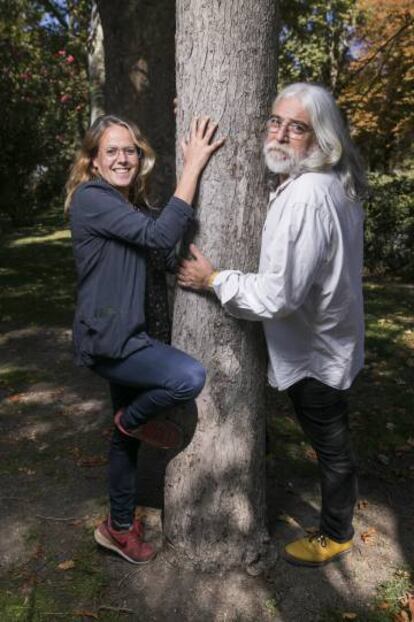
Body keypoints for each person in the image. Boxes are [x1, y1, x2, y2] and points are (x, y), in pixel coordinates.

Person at [177, 82, 367, 567]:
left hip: (317, 350)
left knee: (331, 444)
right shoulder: (329, 184)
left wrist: (214, 278)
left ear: (321, 138)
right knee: (331, 438)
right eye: (275, 121)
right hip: (331, 339)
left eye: (296, 127)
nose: (280, 134)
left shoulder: (307, 197)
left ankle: (337, 533)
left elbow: (279, 295)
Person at [65, 114, 224, 564]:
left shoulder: (123, 205)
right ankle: (132, 417)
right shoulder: (93, 198)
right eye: (111, 150)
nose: (122, 157)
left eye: (129, 149)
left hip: (126, 334)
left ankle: (117, 527)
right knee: (189, 377)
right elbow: (158, 234)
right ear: (93, 162)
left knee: (125, 445)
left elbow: (161, 243)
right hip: (112, 342)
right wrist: (193, 165)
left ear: (139, 156)